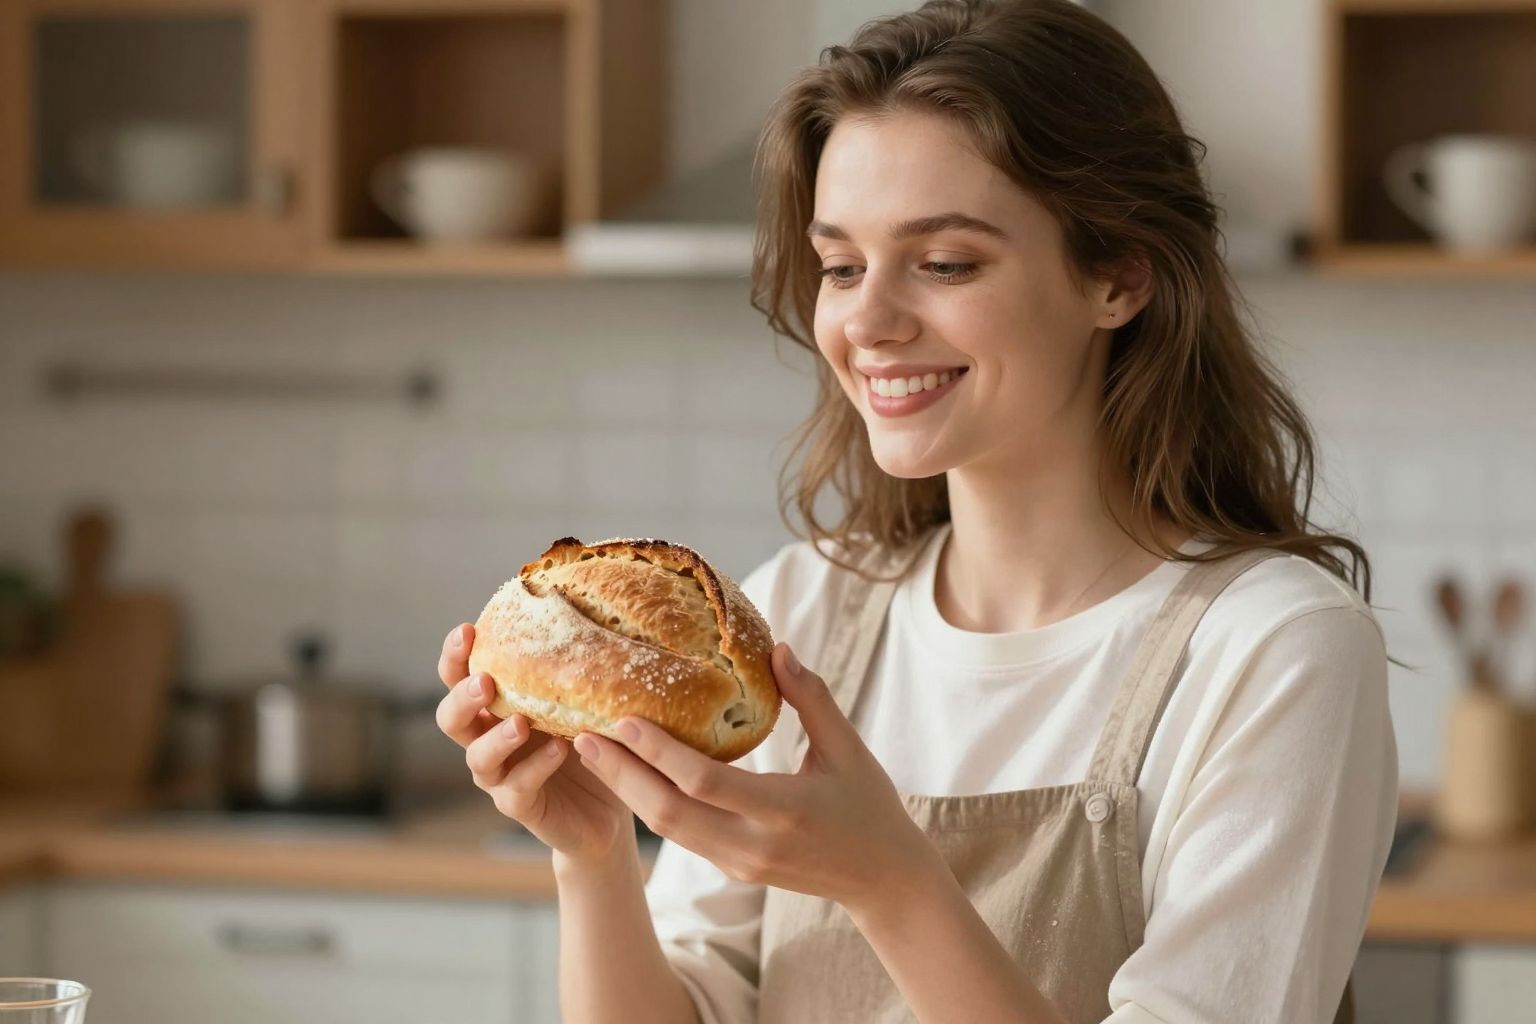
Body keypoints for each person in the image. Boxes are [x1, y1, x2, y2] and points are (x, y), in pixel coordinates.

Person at [434, 1, 1398, 1021]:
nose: (867, 321)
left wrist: (890, 881)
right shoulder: (803, 609)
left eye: (944, 263)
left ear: (1119, 274)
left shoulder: (1274, 650)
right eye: (842, 265)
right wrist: (592, 859)